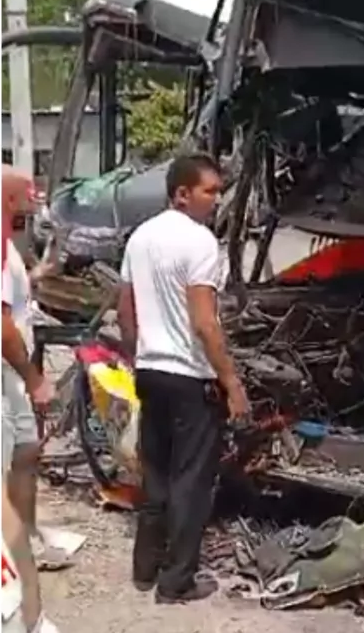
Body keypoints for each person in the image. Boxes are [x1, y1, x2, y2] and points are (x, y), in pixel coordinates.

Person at [116, 153, 250, 604]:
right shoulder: (200, 243)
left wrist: (138, 355)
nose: (215, 199)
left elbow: (125, 308)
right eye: (209, 191)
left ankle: (144, 569)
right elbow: (205, 323)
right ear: (181, 193)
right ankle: (176, 583)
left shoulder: (139, 238)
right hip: (190, 378)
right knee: (191, 482)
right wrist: (231, 382)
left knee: (155, 474)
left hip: (151, 370)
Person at [1, 165, 62, 633]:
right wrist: (34, 377)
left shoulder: (9, 249)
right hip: (8, 377)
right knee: (4, 476)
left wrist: (40, 272)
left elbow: (16, 304)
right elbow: (4, 327)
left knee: (27, 454)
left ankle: (27, 536)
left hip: (14, 379)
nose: (33, 202)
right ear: (9, 200)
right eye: (27, 196)